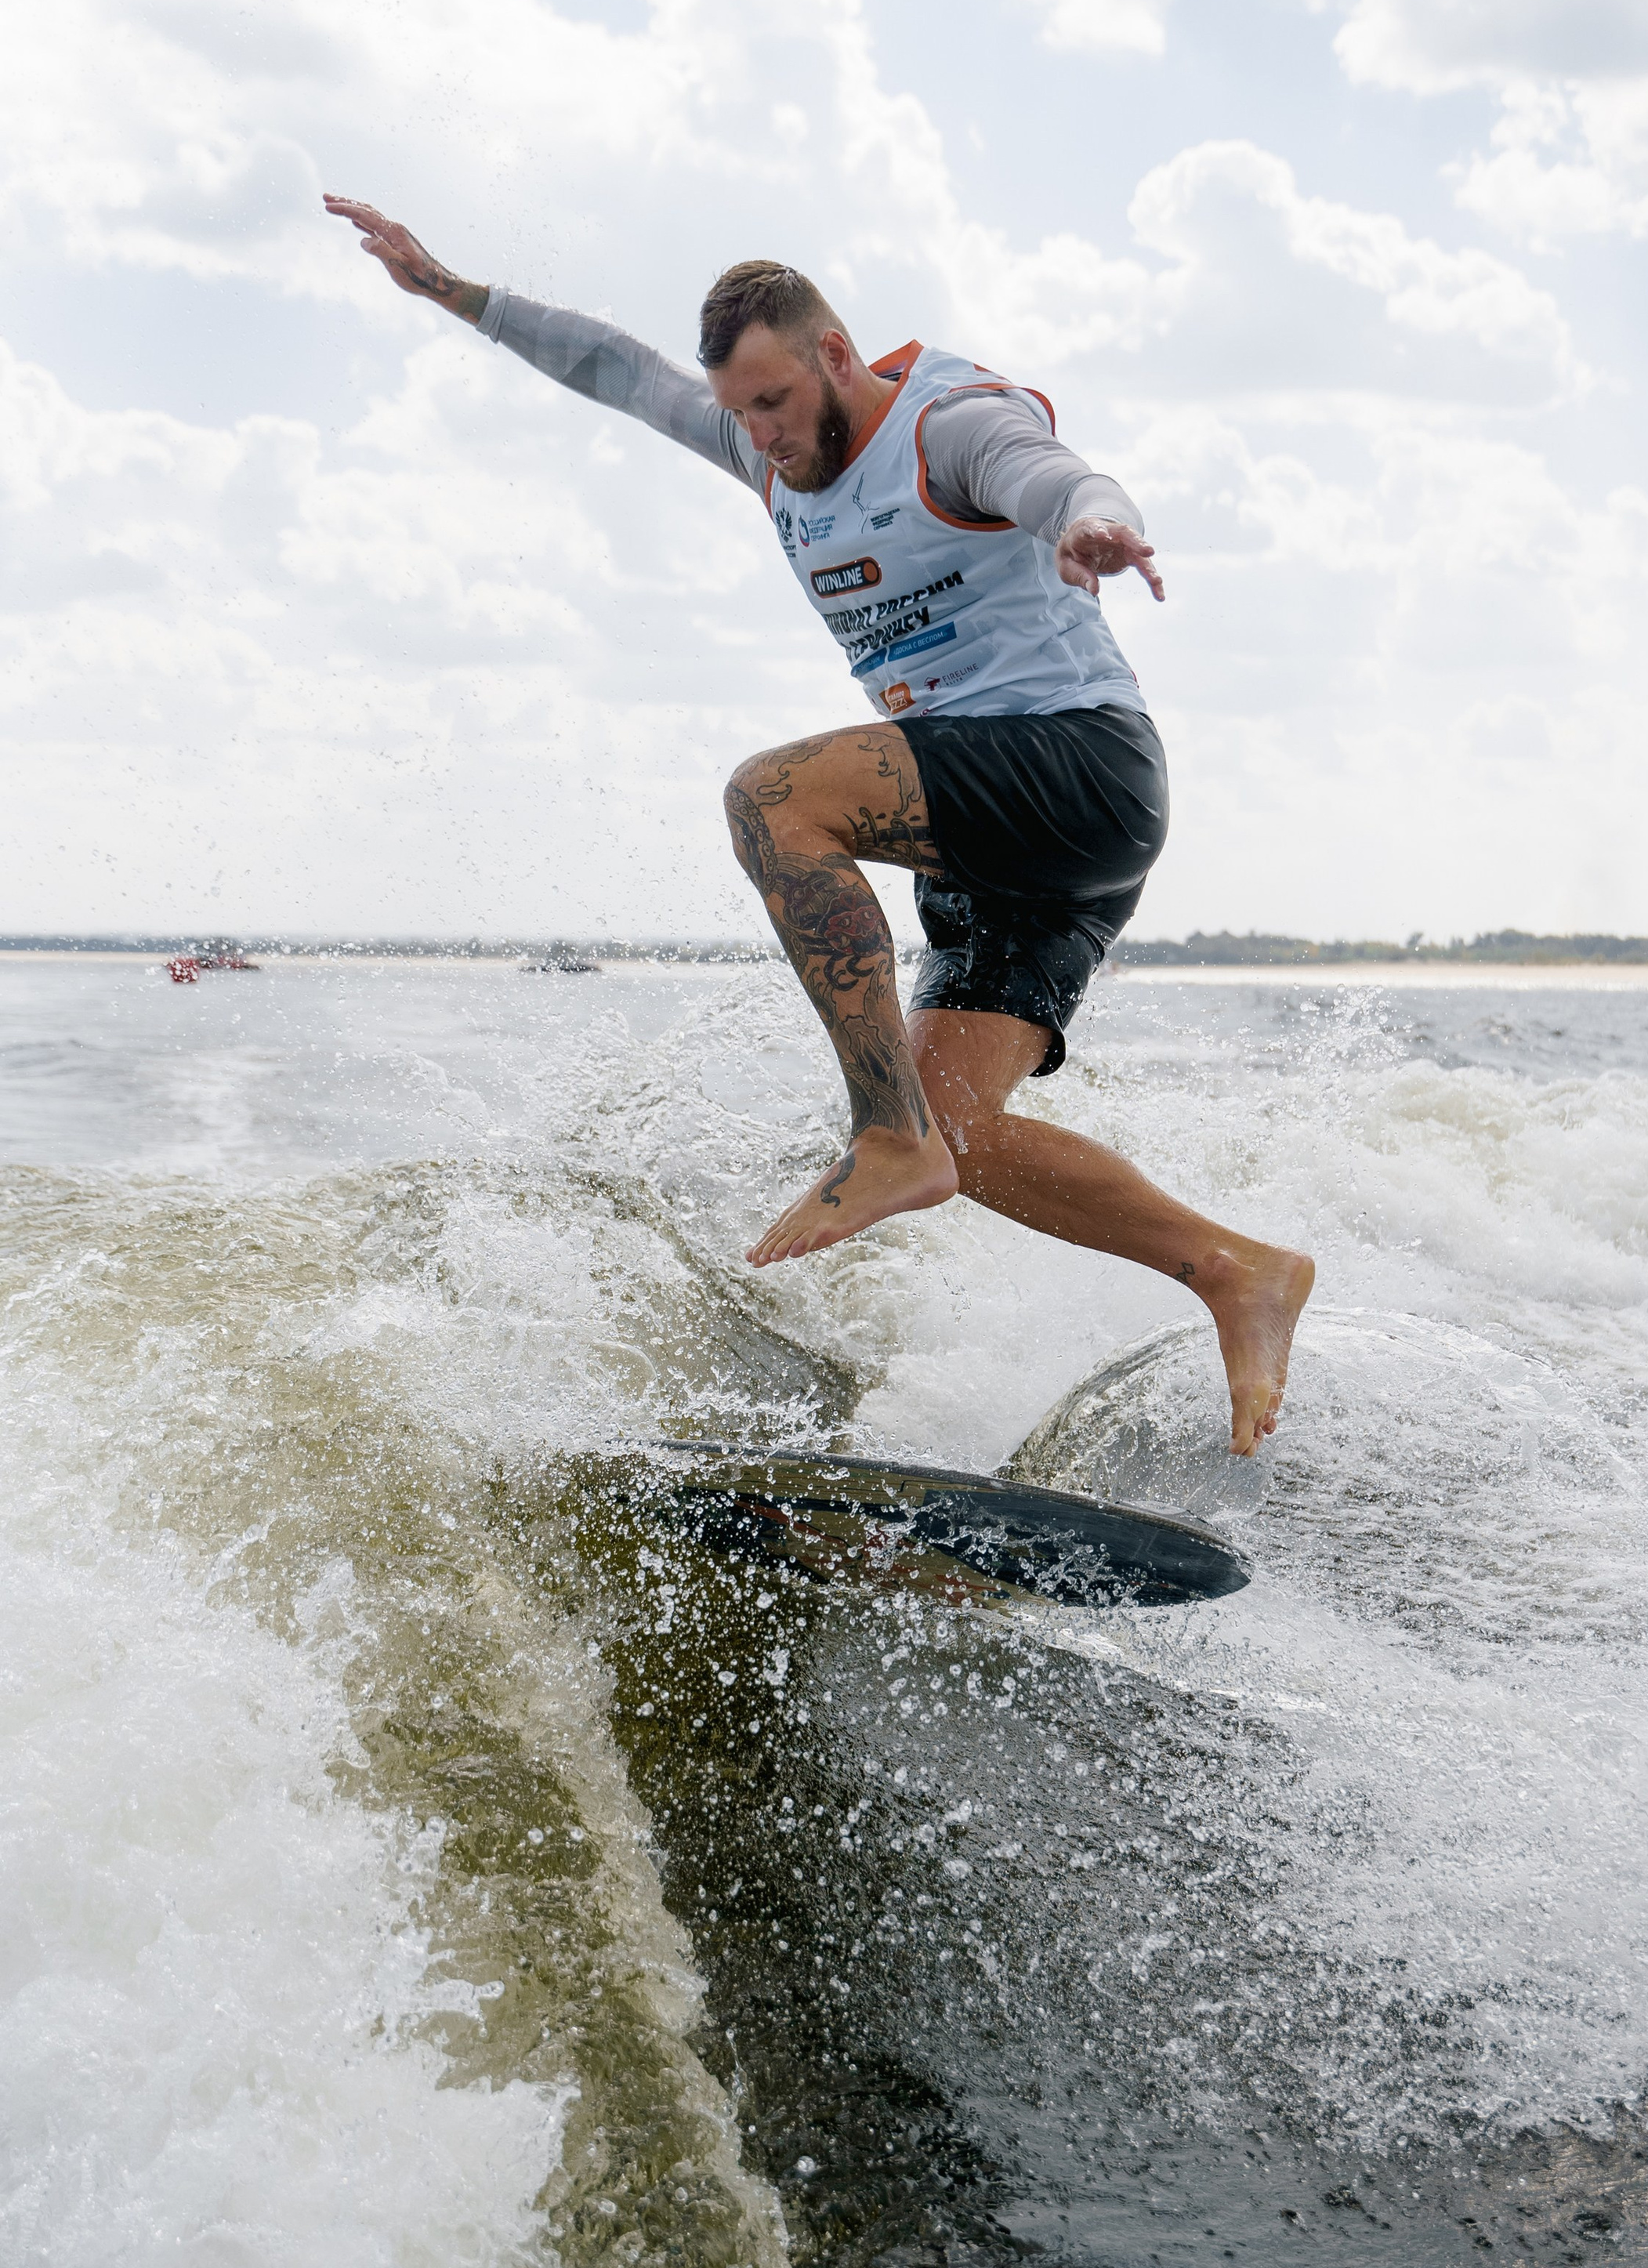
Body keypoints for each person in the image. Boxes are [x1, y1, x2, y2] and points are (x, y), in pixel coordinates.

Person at [324, 195, 1314, 1451]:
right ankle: (1235, 1270)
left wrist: (1090, 524)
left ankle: (881, 1136)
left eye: (778, 403)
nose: (763, 436)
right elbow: (618, 372)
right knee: (969, 1127)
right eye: (743, 412)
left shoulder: (942, 429)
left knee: (773, 798)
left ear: (836, 356)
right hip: (995, 840)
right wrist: (459, 295)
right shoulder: (764, 448)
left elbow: (1047, 472)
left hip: (1078, 768)